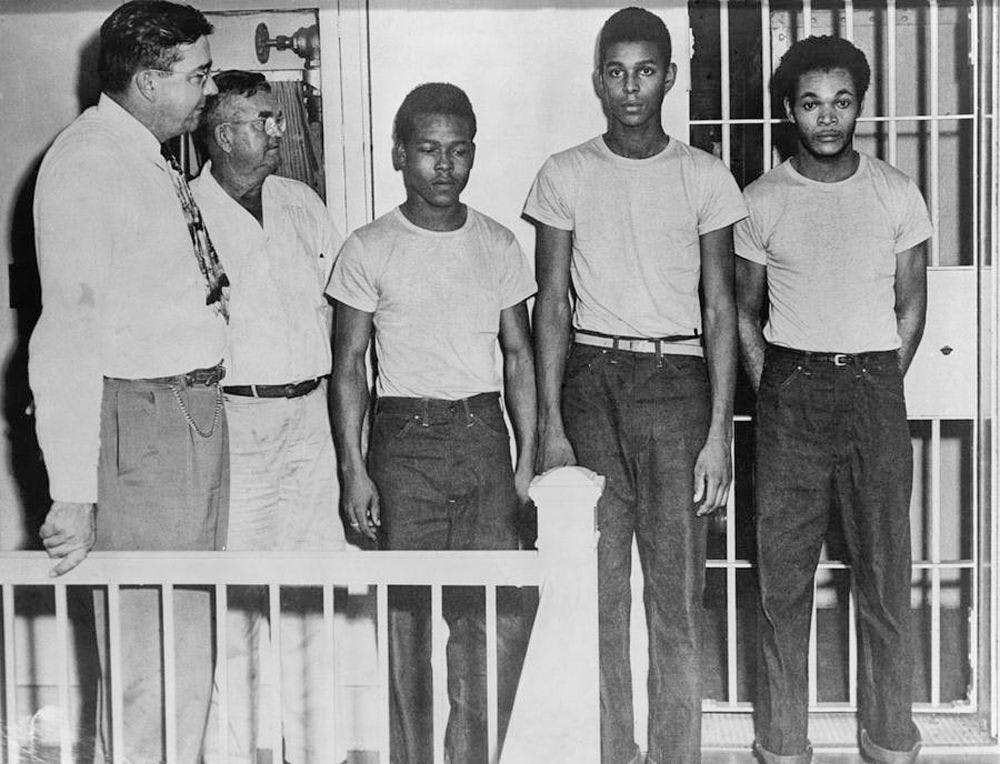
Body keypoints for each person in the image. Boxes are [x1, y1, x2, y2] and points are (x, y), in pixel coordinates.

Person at [524, 7, 746, 762]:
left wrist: (719, 431)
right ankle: (611, 753)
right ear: (597, 80)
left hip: (679, 385)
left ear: (670, 77)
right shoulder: (564, 173)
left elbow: (721, 307)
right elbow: (549, 303)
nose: (630, 87)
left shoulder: (704, 176)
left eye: (645, 70)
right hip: (592, 382)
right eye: (615, 72)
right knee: (597, 594)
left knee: (677, 599)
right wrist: (550, 424)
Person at [29, 1, 227, 760]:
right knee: (149, 663)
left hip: (184, 418)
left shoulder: (141, 151)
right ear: (148, 81)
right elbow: (67, 337)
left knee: (186, 652)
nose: (208, 91)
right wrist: (75, 490)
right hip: (143, 432)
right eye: (199, 75)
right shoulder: (87, 163)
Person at [734, 35, 930, 764]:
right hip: (791, 395)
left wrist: (875, 380)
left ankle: (889, 741)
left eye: (841, 102)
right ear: (790, 110)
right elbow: (743, 312)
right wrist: (778, 387)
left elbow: (912, 308)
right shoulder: (760, 200)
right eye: (812, 103)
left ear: (858, 108)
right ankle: (782, 745)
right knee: (782, 583)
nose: (827, 118)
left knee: (883, 577)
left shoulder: (896, 193)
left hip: (873, 392)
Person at [328, 82, 536, 763]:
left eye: (459, 151)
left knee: (490, 619)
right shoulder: (368, 247)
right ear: (399, 154)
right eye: (427, 150)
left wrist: (527, 458)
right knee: (407, 623)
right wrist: (354, 468)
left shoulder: (500, 243)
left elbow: (518, 356)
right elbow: (350, 364)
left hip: (481, 439)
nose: (444, 166)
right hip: (401, 444)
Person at [190, 70, 345, 762]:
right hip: (235, 424)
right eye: (262, 120)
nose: (278, 131)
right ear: (224, 136)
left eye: (276, 118)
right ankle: (245, 753)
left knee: (314, 594)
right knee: (242, 602)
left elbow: (342, 317)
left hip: (311, 418)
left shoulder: (301, 202)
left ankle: (318, 751)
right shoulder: (184, 210)